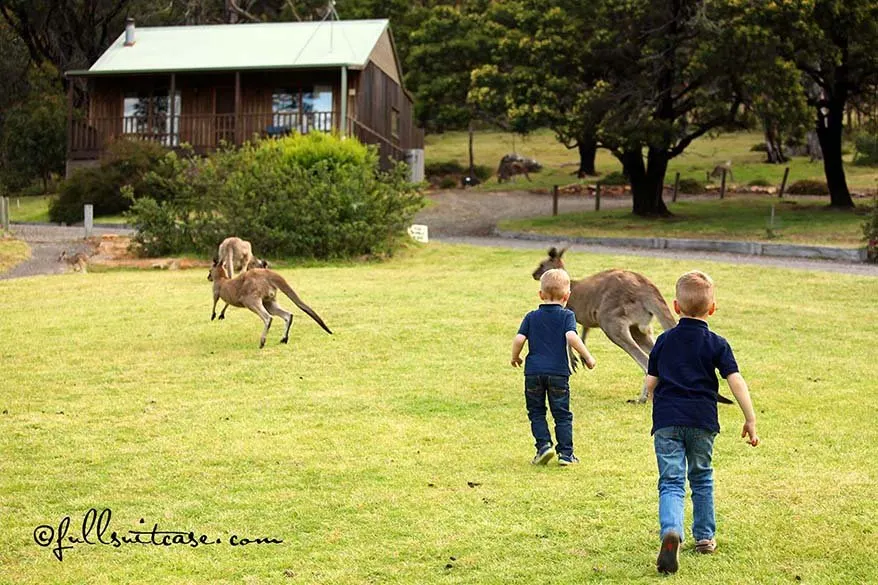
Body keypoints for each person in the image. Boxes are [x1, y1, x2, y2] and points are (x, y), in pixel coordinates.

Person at [646, 270, 759, 574]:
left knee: (671, 482)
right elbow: (736, 381)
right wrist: (750, 418)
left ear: (675, 306)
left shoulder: (664, 341)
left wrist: (654, 398)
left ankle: (671, 531)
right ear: (712, 308)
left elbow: (650, 382)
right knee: (702, 478)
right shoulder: (717, 343)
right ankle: (705, 537)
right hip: (702, 421)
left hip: (668, 421)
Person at [511, 268, 596, 466]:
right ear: (567, 296)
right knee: (562, 414)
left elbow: (519, 338)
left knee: (537, 412)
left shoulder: (531, 316)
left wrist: (515, 357)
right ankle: (566, 454)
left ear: (540, 294)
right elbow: (571, 337)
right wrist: (588, 357)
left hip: (533, 373)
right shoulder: (567, 316)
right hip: (558, 373)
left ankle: (543, 447)